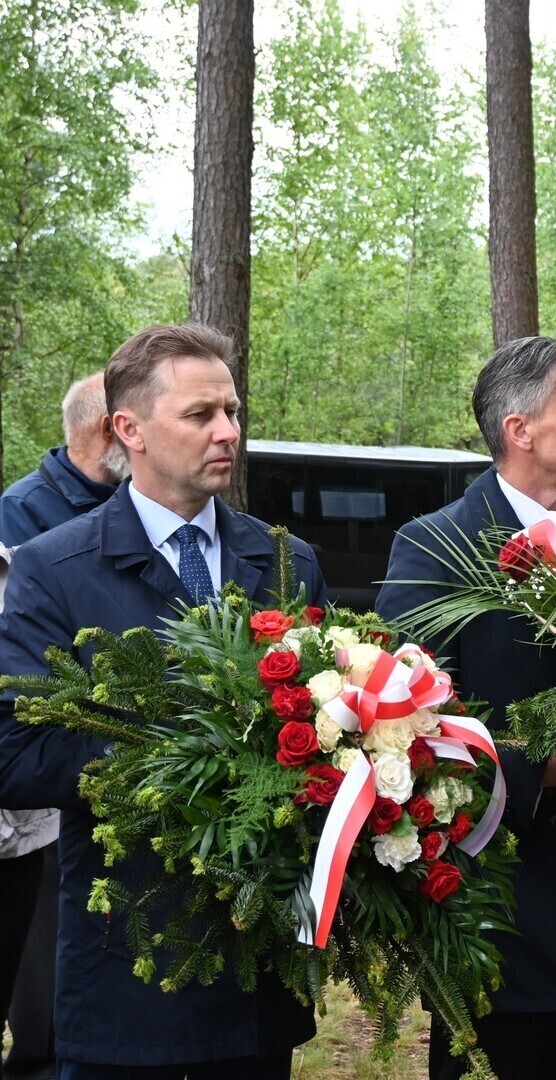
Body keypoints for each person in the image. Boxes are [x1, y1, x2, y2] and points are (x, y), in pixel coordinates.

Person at [0, 324, 325, 1079]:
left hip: (255, 972)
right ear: (130, 429)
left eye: (232, 411)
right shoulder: (55, 570)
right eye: (200, 414)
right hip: (125, 965)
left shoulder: (285, 560)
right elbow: (14, 752)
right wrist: (187, 750)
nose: (228, 432)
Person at [375, 336, 556, 1080]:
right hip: (500, 909)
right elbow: (408, 726)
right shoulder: (437, 545)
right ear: (520, 430)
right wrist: (547, 768)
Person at [0, 371, 126, 1080]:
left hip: (113, 766)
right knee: (39, 966)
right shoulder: (20, 518)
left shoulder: (131, 505)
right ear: (111, 428)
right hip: (44, 777)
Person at [0, 371, 128, 547]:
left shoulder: (134, 493)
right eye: (130, 426)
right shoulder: (19, 506)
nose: (139, 437)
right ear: (108, 428)